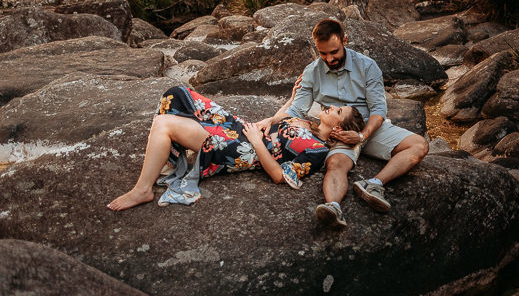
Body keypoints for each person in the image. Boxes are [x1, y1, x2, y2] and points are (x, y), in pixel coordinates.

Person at [255, 18, 428, 225]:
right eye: (323, 53)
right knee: (336, 163)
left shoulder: (367, 66)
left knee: (419, 145)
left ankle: (374, 184)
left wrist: (362, 135)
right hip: (335, 132)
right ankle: (333, 207)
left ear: (344, 40)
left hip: (367, 127)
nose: (329, 58)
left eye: (334, 51)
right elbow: (296, 109)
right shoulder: (312, 71)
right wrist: (271, 120)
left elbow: (378, 110)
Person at [107, 85, 362, 210]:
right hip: (243, 129)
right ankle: (171, 156)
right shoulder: (309, 123)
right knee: (176, 94)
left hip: (243, 148)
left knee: (164, 123)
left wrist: (256, 141)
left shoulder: (317, 151)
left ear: (339, 129)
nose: (330, 108)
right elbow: (280, 119)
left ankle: (142, 190)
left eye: (337, 111)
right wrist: (292, 98)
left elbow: (278, 175)